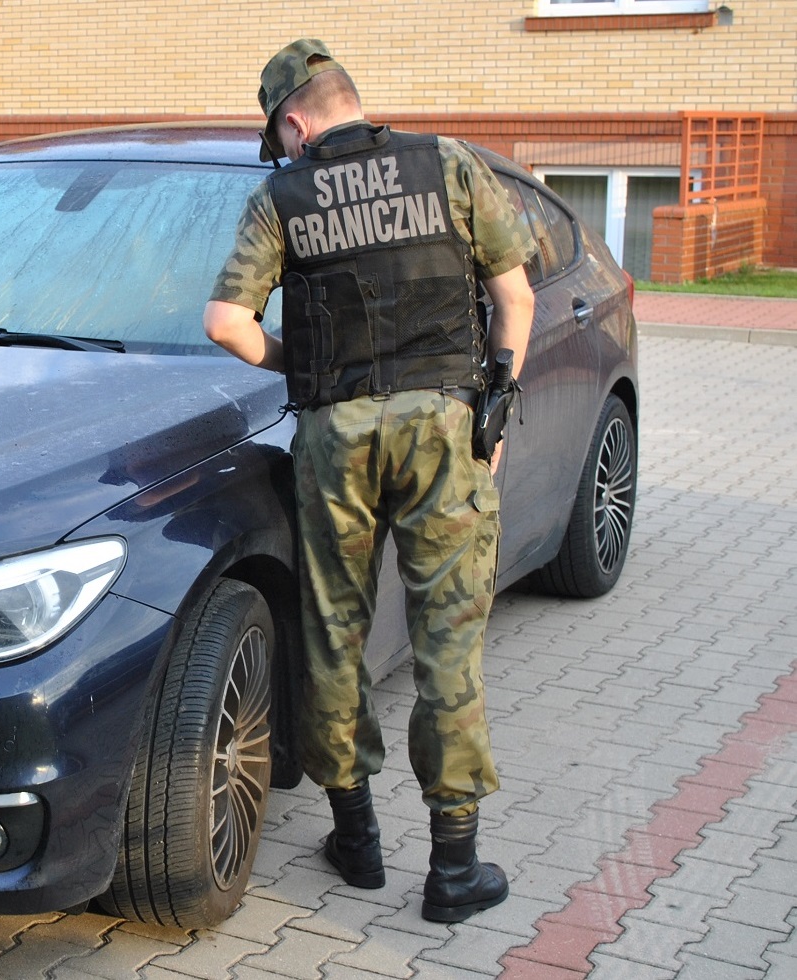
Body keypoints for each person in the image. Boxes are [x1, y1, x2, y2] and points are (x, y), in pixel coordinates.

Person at [203, 38, 536, 923]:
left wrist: (303, 364)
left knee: (334, 634)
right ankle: (453, 868)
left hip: (335, 435)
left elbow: (225, 321)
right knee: (447, 644)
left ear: (294, 120)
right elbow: (515, 297)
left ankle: (355, 842)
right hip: (443, 426)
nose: (281, 150)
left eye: (279, 136)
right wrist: (495, 409)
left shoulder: (281, 197)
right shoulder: (449, 165)